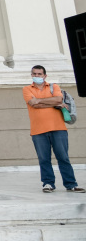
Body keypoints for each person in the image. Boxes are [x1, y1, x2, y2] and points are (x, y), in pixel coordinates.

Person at [24, 65, 82, 193]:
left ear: (45, 76)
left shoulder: (54, 87)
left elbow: (59, 99)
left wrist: (40, 101)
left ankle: (71, 184)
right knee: (44, 159)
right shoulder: (27, 89)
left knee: (63, 157)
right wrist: (53, 103)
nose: (37, 76)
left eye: (39, 74)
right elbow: (33, 104)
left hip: (58, 128)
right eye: (34, 74)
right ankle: (48, 184)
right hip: (38, 130)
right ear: (31, 75)